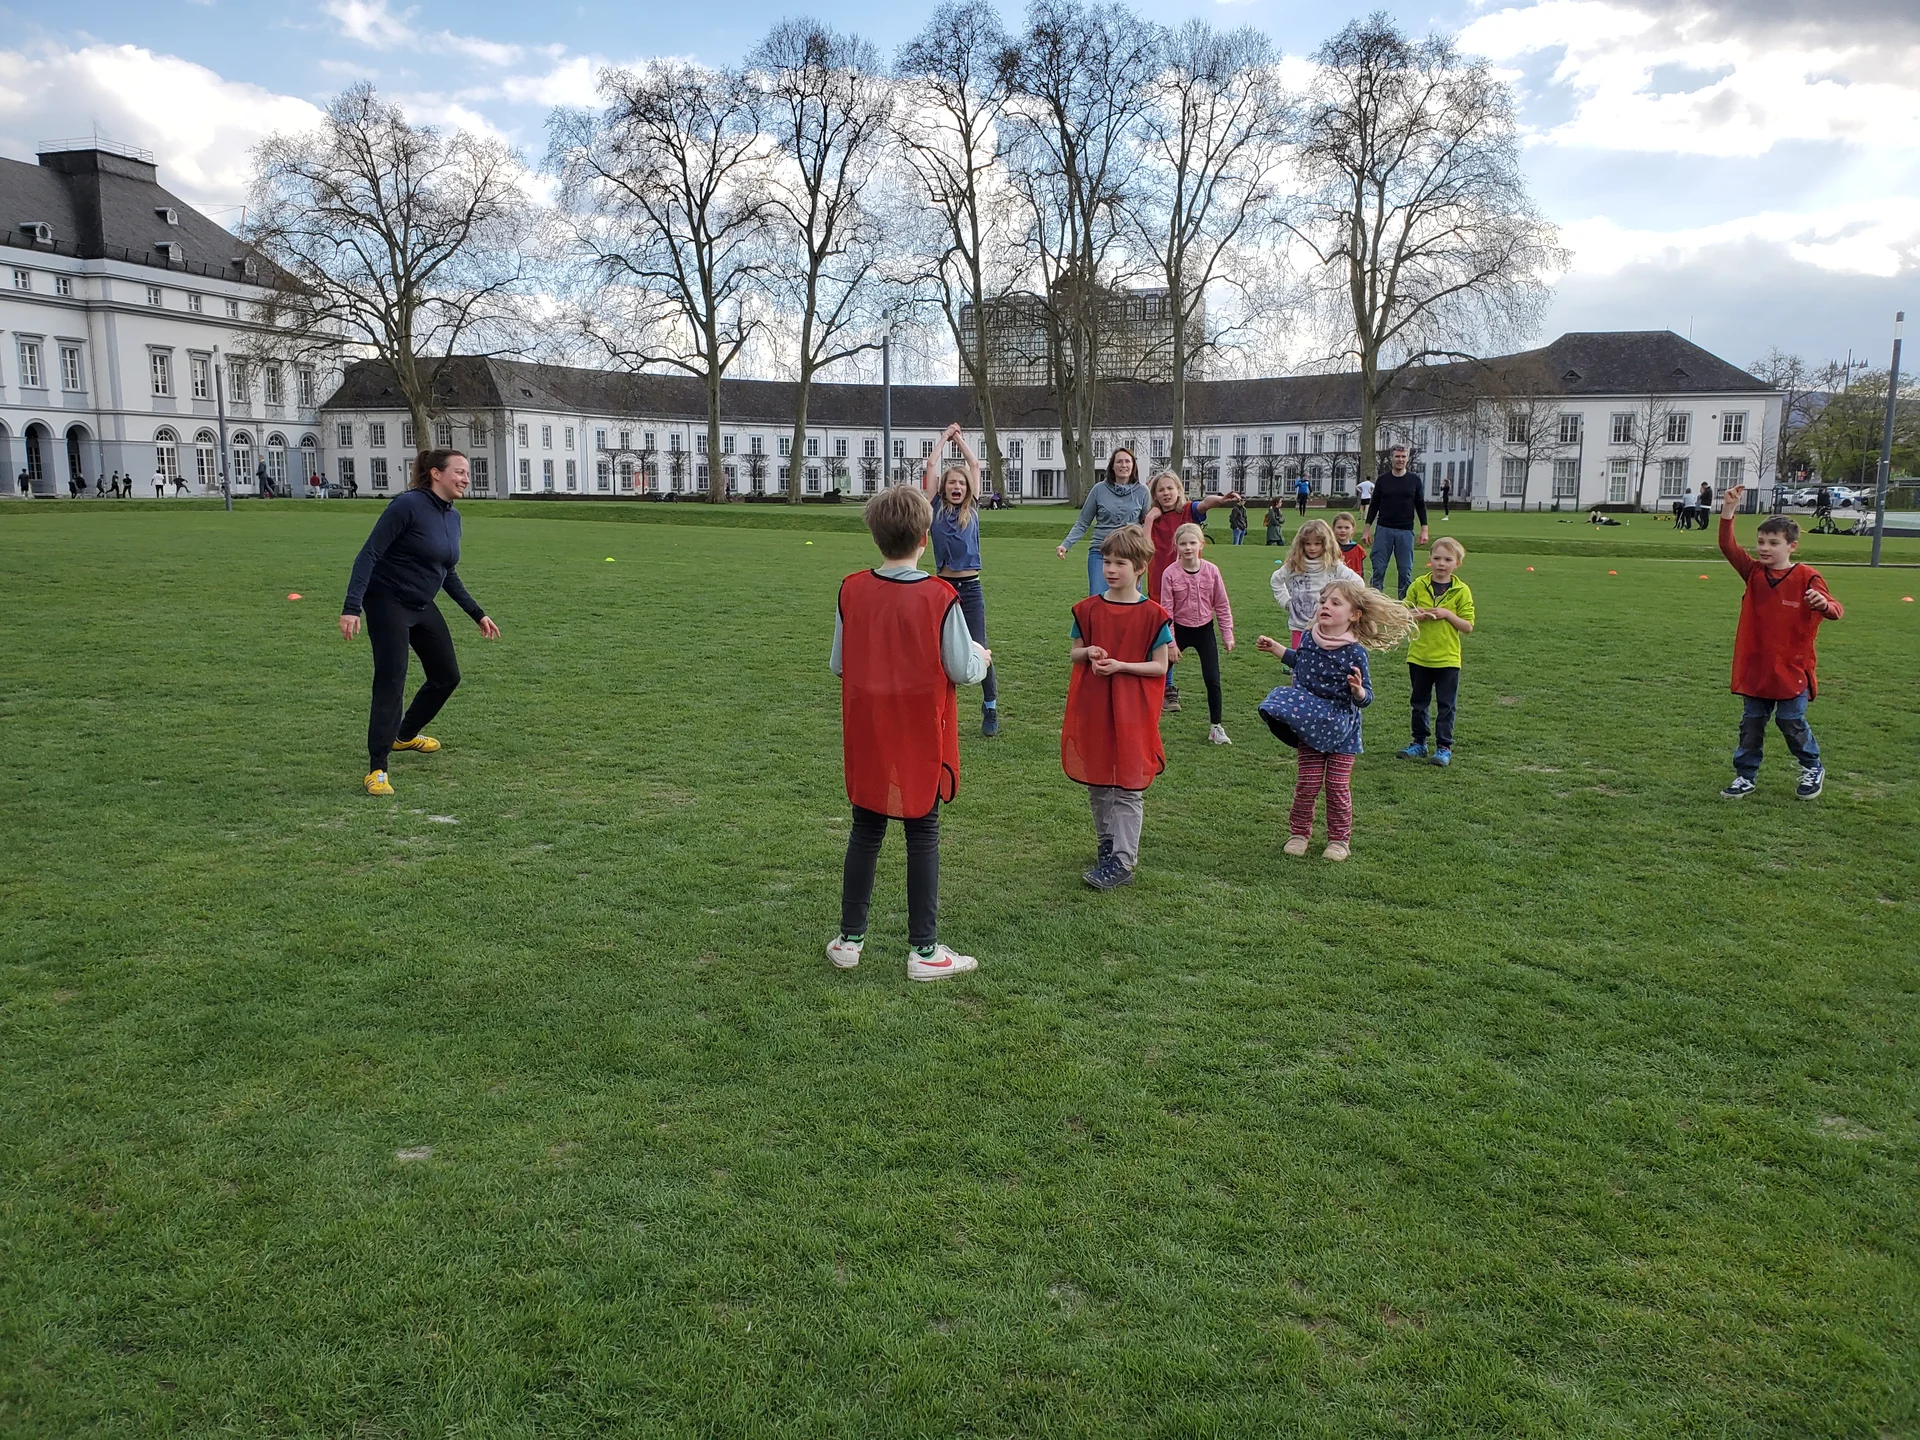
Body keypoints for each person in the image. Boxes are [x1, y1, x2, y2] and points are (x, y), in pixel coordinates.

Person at [827, 484, 992, 981]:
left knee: (866, 828)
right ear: (926, 537)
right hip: (920, 732)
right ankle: (924, 950)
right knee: (922, 832)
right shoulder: (940, 596)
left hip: (869, 732)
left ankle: (850, 939)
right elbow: (962, 669)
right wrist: (981, 659)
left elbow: (839, 663)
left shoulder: (851, 588)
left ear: (876, 537)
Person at [340, 449, 501, 797]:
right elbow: (368, 554)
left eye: (467, 473)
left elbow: (446, 572)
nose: (466, 478)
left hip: (420, 603)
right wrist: (352, 607)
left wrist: (478, 613)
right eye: (458, 472)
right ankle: (377, 768)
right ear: (435, 474)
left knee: (447, 676)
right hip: (386, 602)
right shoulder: (407, 506)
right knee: (391, 679)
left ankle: (404, 735)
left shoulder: (452, 517)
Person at [1256, 578, 1417, 862]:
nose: (1325, 607)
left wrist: (1358, 691)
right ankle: (1299, 834)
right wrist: (1278, 650)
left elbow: (1367, 698)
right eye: (1323, 602)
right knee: (1307, 782)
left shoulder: (1355, 652)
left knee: (1337, 785)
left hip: (1342, 730)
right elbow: (1301, 661)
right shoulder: (1309, 638)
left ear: (1354, 614)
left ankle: (1339, 840)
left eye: (1335, 603)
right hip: (1309, 725)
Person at [1063, 524, 1175, 890]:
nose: (1111, 569)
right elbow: (1074, 653)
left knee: (1128, 784)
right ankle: (1107, 844)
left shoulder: (1153, 616)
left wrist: (1123, 666)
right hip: (1095, 706)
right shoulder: (1088, 609)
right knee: (1098, 779)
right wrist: (1089, 652)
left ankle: (1124, 861)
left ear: (1140, 567)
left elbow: (1160, 666)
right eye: (1107, 561)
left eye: (1120, 563)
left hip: (1133, 711)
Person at [1715, 486, 1841, 800]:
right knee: (1752, 724)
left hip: (1792, 668)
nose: (1764, 548)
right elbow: (1728, 546)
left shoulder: (1807, 577)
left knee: (1790, 721)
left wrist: (1822, 604)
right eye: (1760, 542)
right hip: (1758, 668)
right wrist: (1728, 510)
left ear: (1792, 546)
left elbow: (1836, 610)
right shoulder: (1754, 573)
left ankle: (1811, 766)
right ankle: (1745, 775)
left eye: (1773, 543)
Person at [920, 423, 1000, 737]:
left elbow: (975, 464)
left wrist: (961, 441)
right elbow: (930, 465)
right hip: (942, 588)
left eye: (961, 483)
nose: (956, 486)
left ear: (967, 489)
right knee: (937, 650)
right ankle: (938, 709)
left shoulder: (973, 507)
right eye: (951, 482)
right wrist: (943, 438)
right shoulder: (934, 506)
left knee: (980, 648)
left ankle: (990, 707)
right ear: (943, 488)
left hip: (971, 589)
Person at [1146, 471, 1241, 713]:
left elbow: (1205, 503)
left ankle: (1166, 689)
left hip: (1187, 583)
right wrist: (1148, 519)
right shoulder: (1152, 517)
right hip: (1160, 583)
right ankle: (1163, 688)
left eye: (1170, 488)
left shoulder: (1188, 511)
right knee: (1163, 638)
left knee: (1177, 638)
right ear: (1155, 494)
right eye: (1161, 490)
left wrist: (1220, 500)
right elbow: (1143, 548)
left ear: (1178, 490)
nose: (1166, 493)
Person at [1398, 537, 1476, 767]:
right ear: (1429, 560)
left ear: (1457, 563)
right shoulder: (1418, 585)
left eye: (1448, 559)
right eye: (1437, 558)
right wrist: (1416, 614)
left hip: (1448, 659)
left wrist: (1447, 614)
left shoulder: (1461, 591)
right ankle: (1419, 743)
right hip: (1419, 656)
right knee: (1419, 702)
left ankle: (1444, 747)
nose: (1441, 563)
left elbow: (1468, 626)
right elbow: (1401, 613)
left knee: (1446, 705)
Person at [1159, 522, 1236, 744]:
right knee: (1157, 673)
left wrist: (1227, 634)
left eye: (1192, 543)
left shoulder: (1212, 571)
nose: (1188, 548)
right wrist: (1171, 643)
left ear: (1201, 544)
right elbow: (1166, 611)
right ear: (1176, 546)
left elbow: (1222, 604)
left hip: (1204, 631)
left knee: (1213, 679)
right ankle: (1146, 721)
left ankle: (1216, 727)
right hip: (1178, 631)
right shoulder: (1170, 574)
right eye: (1183, 543)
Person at [1058, 448, 1149, 596]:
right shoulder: (1099, 490)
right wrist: (1065, 545)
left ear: (1133, 466)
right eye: (1119, 461)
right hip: (1101, 553)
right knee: (1098, 599)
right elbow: (1083, 522)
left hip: (1130, 553)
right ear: (1112, 466)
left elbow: (1147, 523)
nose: (1123, 465)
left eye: (1127, 461)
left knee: (1130, 601)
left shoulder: (1142, 492)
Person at [1271, 518, 1362, 649]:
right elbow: (1276, 580)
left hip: (1325, 626)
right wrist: (1286, 601)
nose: (1312, 548)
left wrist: (1342, 605)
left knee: (1322, 661)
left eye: (1317, 544)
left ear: (1326, 544)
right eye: (1308, 544)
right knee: (1300, 661)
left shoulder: (1333, 566)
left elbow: (1357, 583)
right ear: (1301, 544)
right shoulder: (1293, 565)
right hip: (1299, 625)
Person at [1363, 444, 1429, 599]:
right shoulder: (1383, 480)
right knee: (1378, 570)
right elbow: (1374, 505)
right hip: (1384, 529)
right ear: (1391, 458)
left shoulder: (1414, 480)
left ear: (1407, 458)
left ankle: (1404, 606)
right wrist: (1367, 529)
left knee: (1405, 571)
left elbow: (1420, 505)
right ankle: (1375, 603)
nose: (1400, 459)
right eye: (1397, 456)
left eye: (1403, 456)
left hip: (1405, 531)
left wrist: (1424, 529)